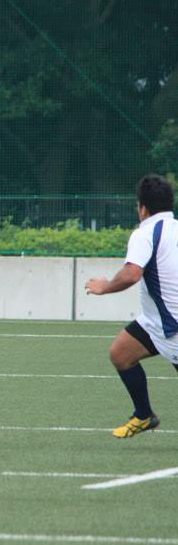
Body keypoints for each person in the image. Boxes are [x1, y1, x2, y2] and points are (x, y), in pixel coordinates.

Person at [85, 174, 177, 437]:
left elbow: (132, 274)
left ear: (143, 208)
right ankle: (144, 415)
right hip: (154, 322)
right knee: (121, 353)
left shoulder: (144, 233)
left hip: (172, 327)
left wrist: (104, 287)